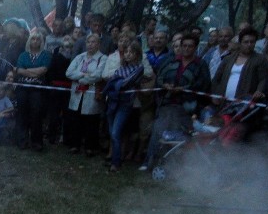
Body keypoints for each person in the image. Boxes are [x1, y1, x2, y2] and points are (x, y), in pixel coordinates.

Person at [140, 34, 211, 171]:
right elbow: (159, 77)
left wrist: (184, 89)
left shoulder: (200, 64)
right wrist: (165, 85)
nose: (186, 49)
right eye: (184, 45)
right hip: (167, 103)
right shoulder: (171, 61)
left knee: (179, 135)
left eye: (190, 46)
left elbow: (203, 84)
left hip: (187, 107)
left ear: (195, 48)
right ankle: (149, 162)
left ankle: (174, 165)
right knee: (158, 130)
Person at [102, 41, 146, 172]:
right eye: (126, 52)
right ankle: (116, 158)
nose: (128, 55)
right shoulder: (121, 68)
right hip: (112, 102)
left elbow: (125, 83)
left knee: (116, 132)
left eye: (131, 52)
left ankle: (115, 163)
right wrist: (115, 83)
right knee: (112, 133)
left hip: (125, 104)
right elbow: (111, 82)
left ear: (137, 54)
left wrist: (116, 82)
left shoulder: (139, 68)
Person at [65, 33, 106, 155]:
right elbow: (69, 73)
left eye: (93, 42)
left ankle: (90, 147)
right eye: (88, 42)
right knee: (75, 119)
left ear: (98, 44)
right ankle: (75, 145)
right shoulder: (80, 57)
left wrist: (81, 78)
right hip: (77, 93)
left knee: (91, 121)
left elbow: (98, 75)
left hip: (91, 93)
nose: (90, 44)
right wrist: (84, 75)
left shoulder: (102, 58)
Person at [13, 31, 51, 150]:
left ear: (41, 42)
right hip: (23, 88)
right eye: (33, 39)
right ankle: (22, 141)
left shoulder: (46, 55)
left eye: (38, 39)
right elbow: (18, 70)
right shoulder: (23, 55)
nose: (35, 41)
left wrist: (25, 70)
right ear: (29, 41)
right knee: (22, 113)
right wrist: (34, 71)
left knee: (36, 114)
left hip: (37, 89)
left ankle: (36, 142)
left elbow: (43, 71)